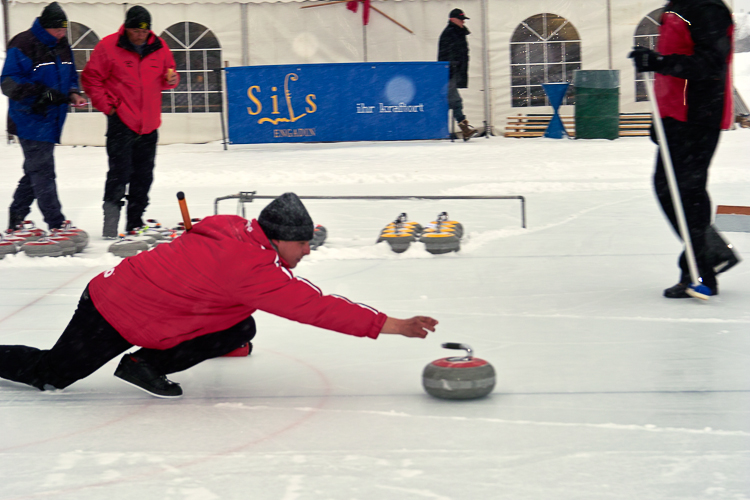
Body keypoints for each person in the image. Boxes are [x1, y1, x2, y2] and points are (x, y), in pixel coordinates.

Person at [0, 193, 438, 398]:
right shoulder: (252, 269)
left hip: (156, 304)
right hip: (115, 309)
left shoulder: (234, 228)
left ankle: (143, 364)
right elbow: (315, 307)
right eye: (302, 243)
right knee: (51, 376)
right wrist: (392, 326)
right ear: (279, 239)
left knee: (239, 325)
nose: (307, 250)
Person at [628, 0, 740, 298]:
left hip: (699, 115)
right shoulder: (677, 6)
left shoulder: (707, 8)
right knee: (673, 189)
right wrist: (660, 118)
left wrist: (658, 62)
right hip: (677, 115)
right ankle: (707, 257)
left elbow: (711, 63)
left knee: (685, 191)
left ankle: (704, 261)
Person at [81, 6, 179, 239]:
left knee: (144, 175)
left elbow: (168, 76)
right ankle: (110, 225)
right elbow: (90, 79)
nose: (140, 36)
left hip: (149, 124)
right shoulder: (107, 46)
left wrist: (173, 80)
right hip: (122, 122)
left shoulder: (160, 46)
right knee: (119, 174)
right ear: (126, 28)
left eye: (144, 32)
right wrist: (109, 108)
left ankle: (135, 222)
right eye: (135, 31)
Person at [2, 2, 88, 232]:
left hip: (51, 119)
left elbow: (70, 75)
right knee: (43, 172)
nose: (61, 34)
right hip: (29, 118)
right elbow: (8, 83)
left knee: (34, 171)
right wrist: (41, 94)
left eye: (63, 30)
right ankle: (56, 222)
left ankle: (16, 219)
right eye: (57, 30)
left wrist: (73, 94)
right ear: (45, 26)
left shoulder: (61, 45)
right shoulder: (23, 44)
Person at [438, 8, 476, 141]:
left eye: (464, 19)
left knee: (450, 102)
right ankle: (463, 127)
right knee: (455, 101)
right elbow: (445, 54)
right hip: (449, 72)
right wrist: (453, 66)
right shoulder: (450, 33)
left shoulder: (457, 33)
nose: (463, 22)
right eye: (461, 19)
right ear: (452, 19)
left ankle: (455, 128)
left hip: (453, 71)